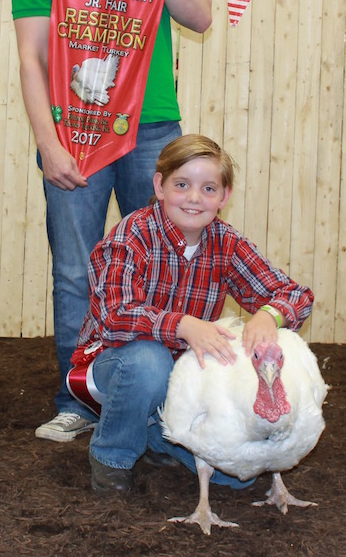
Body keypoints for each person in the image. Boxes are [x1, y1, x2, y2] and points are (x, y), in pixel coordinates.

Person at [10, 0, 213, 442]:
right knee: (76, 271)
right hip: (75, 131)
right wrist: (48, 144)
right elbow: (31, 58)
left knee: (163, 264)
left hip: (153, 128)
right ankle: (79, 400)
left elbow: (201, 14)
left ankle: (164, 404)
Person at [68, 134, 315, 492]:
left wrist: (268, 316)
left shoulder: (226, 242)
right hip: (116, 363)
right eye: (182, 185)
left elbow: (295, 294)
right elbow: (114, 316)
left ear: (224, 196)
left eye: (208, 188)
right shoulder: (132, 235)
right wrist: (183, 325)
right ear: (160, 186)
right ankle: (112, 454)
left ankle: (154, 431)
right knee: (149, 362)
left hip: (182, 379)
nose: (195, 198)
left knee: (237, 479)